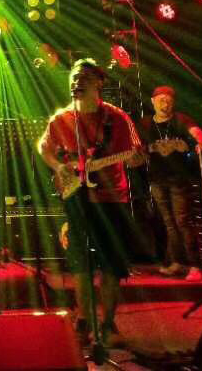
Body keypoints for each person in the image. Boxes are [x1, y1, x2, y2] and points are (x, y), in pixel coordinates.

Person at [38, 59, 145, 347]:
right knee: (80, 264)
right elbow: (44, 147)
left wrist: (136, 159)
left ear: (99, 82)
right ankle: (84, 319)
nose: (77, 81)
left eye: (84, 76)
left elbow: (136, 156)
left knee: (112, 265)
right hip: (77, 197)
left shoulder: (117, 118)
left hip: (111, 199)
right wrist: (58, 167)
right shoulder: (61, 119)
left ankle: (109, 323)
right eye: (74, 77)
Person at [137, 86, 202, 281]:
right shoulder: (145, 123)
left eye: (168, 100)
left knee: (183, 221)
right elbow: (136, 146)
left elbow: (196, 132)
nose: (165, 103)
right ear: (153, 101)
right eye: (161, 100)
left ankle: (195, 266)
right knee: (169, 223)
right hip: (156, 179)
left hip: (179, 179)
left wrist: (201, 141)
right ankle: (177, 262)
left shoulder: (180, 119)